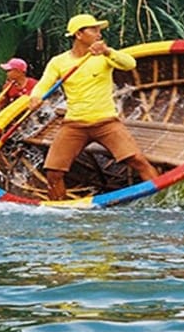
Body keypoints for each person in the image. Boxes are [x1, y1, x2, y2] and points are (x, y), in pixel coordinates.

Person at [29, 14, 159, 200]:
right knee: (53, 173)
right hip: (74, 124)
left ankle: (158, 197)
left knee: (137, 161)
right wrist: (35, 97)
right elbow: (44, 83)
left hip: (106, 122)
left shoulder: (104, 56)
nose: (99, 34)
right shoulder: (59, 62)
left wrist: (107, 51)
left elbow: (130, 64)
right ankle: (60, 211)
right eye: (94, 30)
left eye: (99, 30)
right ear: (79, 34)